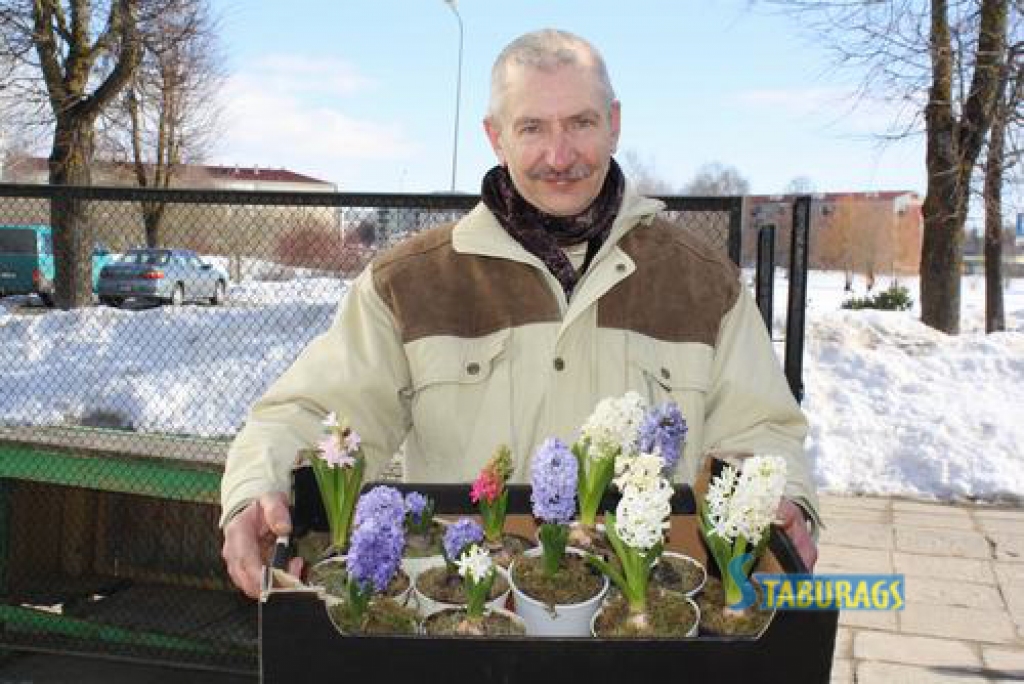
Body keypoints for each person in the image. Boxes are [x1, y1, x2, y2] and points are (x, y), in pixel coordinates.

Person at [221, 28, 820, 599]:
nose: (559, 155)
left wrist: (783, 503)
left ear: (614, 124)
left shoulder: (700, 281)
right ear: (495, 136)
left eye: (581, 123)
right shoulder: (411, 282)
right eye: (532, 127)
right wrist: (258, 490)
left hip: (646, 628)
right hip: (467, 616)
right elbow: (315, 415)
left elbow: (761, 433)